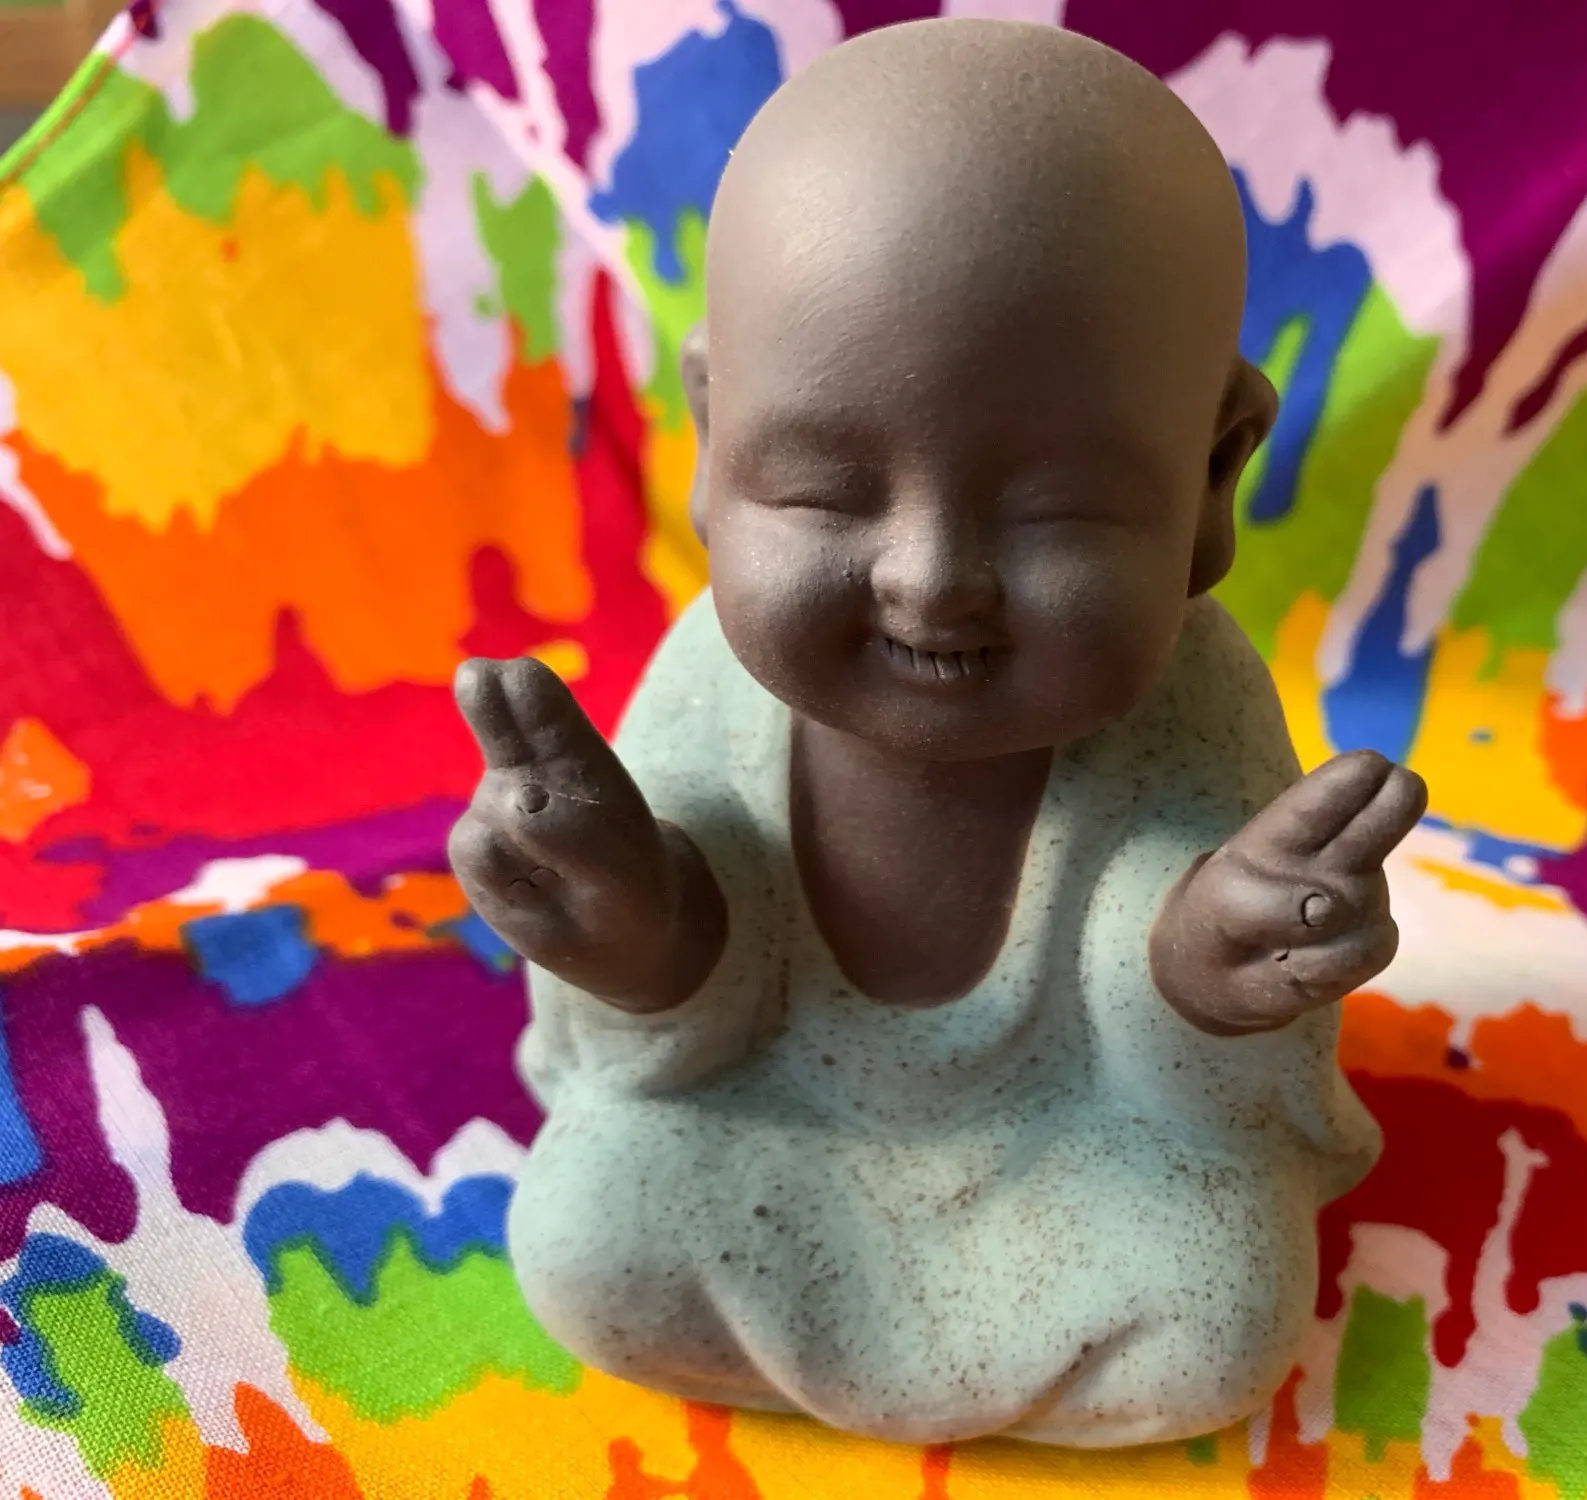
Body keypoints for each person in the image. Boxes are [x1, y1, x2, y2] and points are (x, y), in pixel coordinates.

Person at [448, 17, 1427, 1447]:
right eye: (825, 492)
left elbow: (1194, 1060)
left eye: (1058, 511)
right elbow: (677, 991)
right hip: (767, 1129)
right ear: (714, 436)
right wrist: (628, 921)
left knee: (1219, 1310)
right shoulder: (712, 673)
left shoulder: (1192, 690)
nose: (932, 580)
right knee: (591, 1241)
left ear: (1212, 475)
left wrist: (1208, 970)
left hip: (1078, 1150)